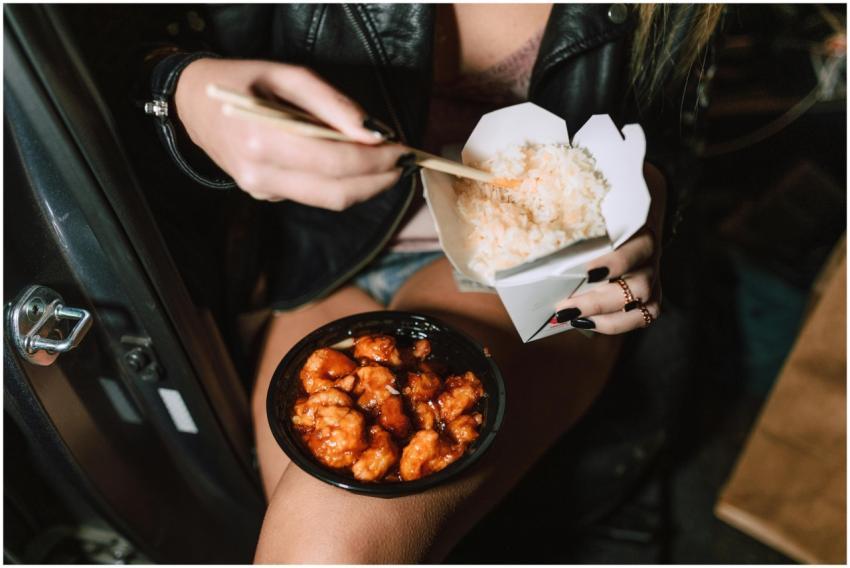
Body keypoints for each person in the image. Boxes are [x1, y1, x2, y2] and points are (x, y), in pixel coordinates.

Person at [141, 4, 723, 562]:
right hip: (314, 254)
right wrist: (179, 87)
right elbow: (120, 46)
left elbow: (675, 123)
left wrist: (650, 191)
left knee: (333, 550)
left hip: (524, 266)